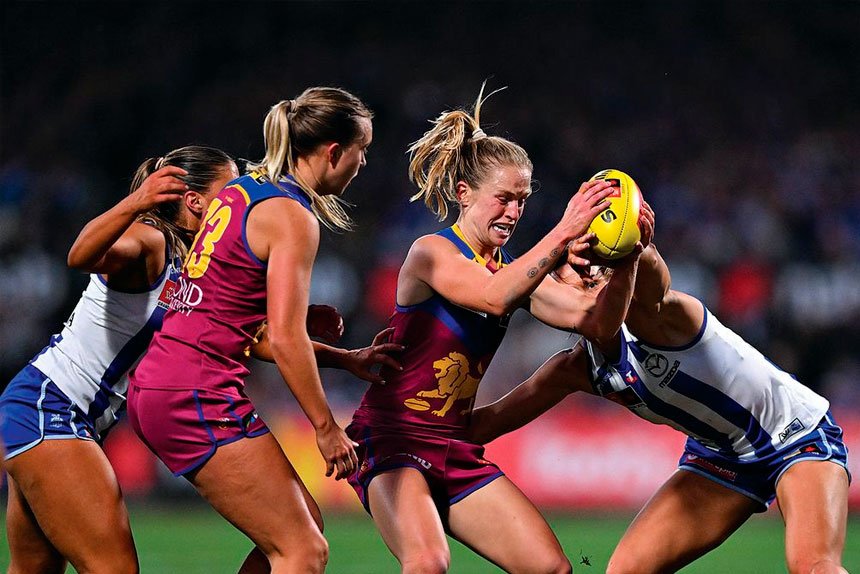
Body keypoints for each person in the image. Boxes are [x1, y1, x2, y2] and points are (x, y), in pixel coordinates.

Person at [470, 200, 851, 574]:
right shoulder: (576, 369)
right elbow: (489, 423)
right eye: (565, 273)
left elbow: (657, 288)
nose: (580, 276)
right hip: (722, 457)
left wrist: (639, 248)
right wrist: (416, 429)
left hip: (796, 435)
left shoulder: (652, 320)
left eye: (590, 269)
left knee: (813, 566)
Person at [345, 86, 624, 574]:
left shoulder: (513, 270)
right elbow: (494, 296)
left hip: (453, 444)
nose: (513, 212)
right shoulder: (430, 252)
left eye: (521, 201)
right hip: (393, 439)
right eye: (504, 198)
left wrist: (625, 261)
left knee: (552, 569)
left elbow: (596, 322)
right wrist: (562, 234)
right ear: (463, 193)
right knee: (428, 562)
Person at [127, 87, 375, 574]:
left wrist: (341, 357)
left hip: (171, 379)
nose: (363, 164)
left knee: (305, 530)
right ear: (333, 152)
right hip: (192, 391)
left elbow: (240, 319)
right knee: (302, 551)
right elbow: (283, 339)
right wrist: (325, 429)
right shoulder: (292, 217)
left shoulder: (242, 191)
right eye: (362, 151)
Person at [0, 145, 238, 574]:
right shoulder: (150, 239)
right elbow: (80, 256)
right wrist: (136, 203)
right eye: (229, 188)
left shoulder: (190, 262)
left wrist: (334, 353)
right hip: (53, 407)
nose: (237, 200)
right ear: (194, 199)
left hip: (60, 413)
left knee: (33, 570)